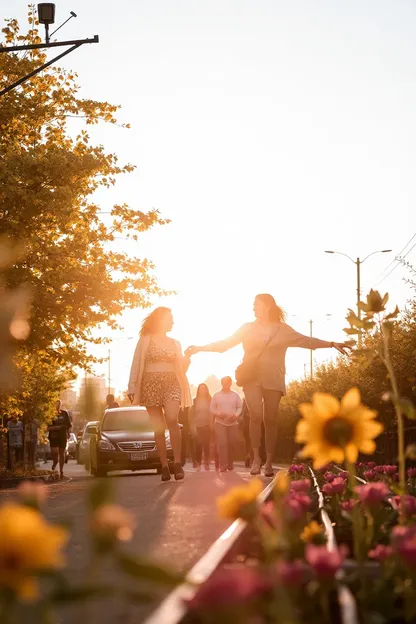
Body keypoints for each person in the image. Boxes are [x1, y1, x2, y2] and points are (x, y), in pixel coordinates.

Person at [187, 293, 351, 477]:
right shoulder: (247, 328)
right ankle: (256, 458)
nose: (253, 308)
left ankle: (269, 462)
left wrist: (331, 344)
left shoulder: (283, 329)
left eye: (256, 304)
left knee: (271, 419)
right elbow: (225, 344)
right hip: (251, 378)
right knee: (256, 416)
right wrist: (200, 348)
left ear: (267, 306)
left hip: (274, 377)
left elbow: (306, 341)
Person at [128, 307, 192, 482]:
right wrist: (132, 388)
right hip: (150, 384)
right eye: (170, 318)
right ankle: (164, 466)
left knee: (172, 418)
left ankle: (177, 463)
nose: (173, 321)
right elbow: (135, 364)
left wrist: (186, 359)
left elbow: (182, 369)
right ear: (161, 319)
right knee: (158, 426)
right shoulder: (145, 340)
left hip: (172, 382)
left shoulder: (175, 343)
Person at [210, 376, 242, 472]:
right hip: (220, 422)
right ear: (222, 383)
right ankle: (223, 464)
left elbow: (240, 407)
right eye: (224, 382)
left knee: (231, 442)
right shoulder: (216, 395)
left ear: (230, 383)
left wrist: (236, 415)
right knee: (222, 443)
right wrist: (219, 414)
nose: (226, 384)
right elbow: (212, 408)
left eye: (228, 382)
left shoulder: (235, 395)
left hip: (232, 422)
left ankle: (230, 463)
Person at [189, 383, 213, 471]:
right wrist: (193, 426)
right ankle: (198, 463)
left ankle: (207, 463)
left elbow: (212, 412)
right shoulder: (195, 401)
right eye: (201, 389)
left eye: (204, 389)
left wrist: (212, 423)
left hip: (207, 425)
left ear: (207, 390)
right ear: (198, 390)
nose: (203, 390)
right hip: (198, 426)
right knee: (198, 445)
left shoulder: (210, 400)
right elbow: (191, 414)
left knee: (207, 445)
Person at [48, 400, 72, 479]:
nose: (57, 406)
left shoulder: (64, 413)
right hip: (53, 436)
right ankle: (55, 463)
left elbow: (69, 425)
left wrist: (68, 433)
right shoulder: (50, 414)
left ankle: (61, 470)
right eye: (56, 404)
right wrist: (56, 427)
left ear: (60, 405)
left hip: (62, 436)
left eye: (59, 404)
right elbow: (47, 427)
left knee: (61, 453)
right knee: (54, 453)